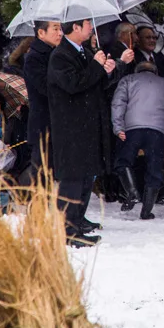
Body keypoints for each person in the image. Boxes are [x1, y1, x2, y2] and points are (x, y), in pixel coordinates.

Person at [47, 18, 116, 247]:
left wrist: (107, 72)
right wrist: (96, 66)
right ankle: (66, 230)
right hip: (70, 128)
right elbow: (73, 84)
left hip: (87, 126)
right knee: (72, 180)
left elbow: (93, 86)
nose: (90, 28)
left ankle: (77, 223)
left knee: (86, 176)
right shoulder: (60, 56)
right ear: (75, 27)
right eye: (87, 24)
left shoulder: (84, 51)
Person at [111, 60, 164, 219]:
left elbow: (118, 104)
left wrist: (118, 127)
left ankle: (132, 191)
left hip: (132, 129)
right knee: (154, 170)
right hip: (157, 131)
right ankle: (146, 212)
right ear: (155, 72)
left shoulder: (128, 80)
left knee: (123, 161)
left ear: (138, 71)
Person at [21, 20, 63, 186]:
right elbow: (46, 88)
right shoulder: (34, 57)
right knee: (42, 172)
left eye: (60, 29)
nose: (60, 33)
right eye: (55, 29)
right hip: (43, 123)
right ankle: (40, 209)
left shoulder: (55, 53)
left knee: (54, 172)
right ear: (41, 33)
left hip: (57, 123)